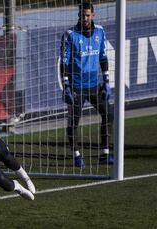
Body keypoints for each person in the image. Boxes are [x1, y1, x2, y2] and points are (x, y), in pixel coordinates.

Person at [60, 2, 114, 168]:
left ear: (93, 15)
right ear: (79, 15)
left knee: (109, 114)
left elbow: (103, 58)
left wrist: (106, 82)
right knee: (74, 122)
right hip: (76, 87)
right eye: (83, 15)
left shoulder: (100, 31)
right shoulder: (70, 34)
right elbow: (64, 62)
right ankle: (76, 155)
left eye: (88, 15)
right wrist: (66, 86)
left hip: (93, 85)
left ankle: (105, 153)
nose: (85, 18)